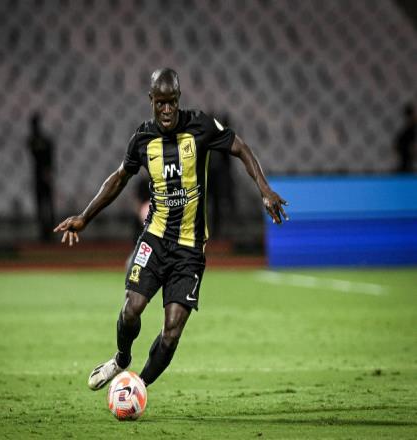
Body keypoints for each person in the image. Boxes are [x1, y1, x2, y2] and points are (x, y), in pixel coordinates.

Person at [54, 68, 288, 390]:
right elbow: (119, 179)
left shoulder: (201, 126)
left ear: (179, 99)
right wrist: (85, 217)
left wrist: (264, 189)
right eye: (160, 103)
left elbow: (241, 148)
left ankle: (136, 387)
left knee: (173, 328)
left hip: (190, 249)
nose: (166, 110)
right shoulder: (142, 139)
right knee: (132, 309)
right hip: (155, 238)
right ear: (151, 100)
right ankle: (122, 358)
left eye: (172, 102)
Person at [27, 112, 55, 241]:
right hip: (41, 175)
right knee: (44, 204)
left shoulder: (37, 140)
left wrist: (48, 171)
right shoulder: (38, 140)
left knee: (46, 204)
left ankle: (48, 231)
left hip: (42, 175)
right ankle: (45, 231)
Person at [394, 103, 416, 173]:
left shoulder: (411, 127)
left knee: (406, 166)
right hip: (405, 150)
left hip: (406, 150)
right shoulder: (409, 128)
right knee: (405, 166)